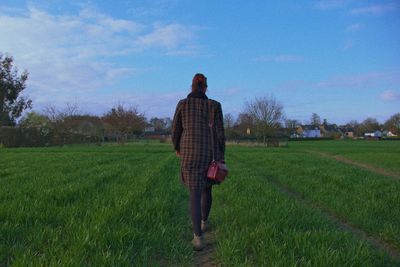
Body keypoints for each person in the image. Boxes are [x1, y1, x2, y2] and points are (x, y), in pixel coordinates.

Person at [172, 73, 226, 251]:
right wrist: (220, 155)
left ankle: (198, 237)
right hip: (209, 155)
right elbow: (220, 134)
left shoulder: (183, 104)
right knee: (207, 189)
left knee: (194, 193)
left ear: (192, 86)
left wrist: (177, 147)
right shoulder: (214, 106)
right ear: (206, 88)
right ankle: (204, 221)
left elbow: (176, 130)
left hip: (189, 154)